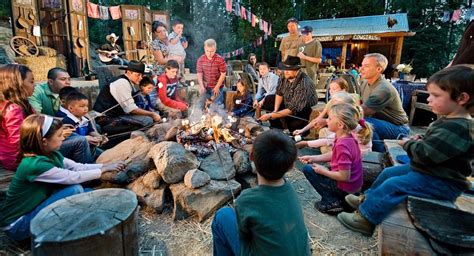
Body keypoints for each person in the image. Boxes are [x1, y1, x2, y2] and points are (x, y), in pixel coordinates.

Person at [337, 65, 474, 235]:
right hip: (431, 172)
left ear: (462, 98)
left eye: (436, 95)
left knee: (394, 185)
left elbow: (425, 155)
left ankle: (366, 219)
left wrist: (409, 145)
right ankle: (367, 200)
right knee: (388, 174)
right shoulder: (450, 121)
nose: (429, 99)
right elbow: (436, 145)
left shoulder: (458, 128)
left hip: (442, 182)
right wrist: (420, 139)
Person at [0, 114, 125, 241]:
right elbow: (74, 177)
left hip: (30, 214)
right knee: (75, 190)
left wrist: (105, 165)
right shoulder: (34, 165)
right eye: (59, 135)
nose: (63, 139)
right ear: (44, 141)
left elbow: (77, 167)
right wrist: (103, 170)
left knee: (87, 193)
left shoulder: (51, 153)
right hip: (17, 226)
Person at [211, 130, 310, 255]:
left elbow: (244, 235)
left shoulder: (246, 200)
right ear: (291, 166)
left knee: (222, 216)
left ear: (251, 156)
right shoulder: (289, 189)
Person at [299, 103, 368, 214]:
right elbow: (334, 154)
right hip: (353, 187)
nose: (326, 121)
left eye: (330, 118)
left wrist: (323, 171)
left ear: (340, 125)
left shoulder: (343, 144)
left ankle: (333, 202)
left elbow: (344, 176)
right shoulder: (345, 137)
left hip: (347, 188)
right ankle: (339, 199)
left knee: (308, 170)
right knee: (313, 166)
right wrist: (314, 158)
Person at [93, 61, 161, 135]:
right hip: (105, 118)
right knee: (147, 120)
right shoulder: (122, 83)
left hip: (116, 115)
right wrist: (152, 114)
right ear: (129, 73)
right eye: (138, 75)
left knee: (150, 116)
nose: (140, 78)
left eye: (142, 75)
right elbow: (131, 109)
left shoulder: (129, 83)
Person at [359, 53, 409, 152]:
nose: (361, 69)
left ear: (379, 69)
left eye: (367, 66)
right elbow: (357, 102)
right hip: (380, 123)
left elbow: (360, 112)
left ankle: (379, 153)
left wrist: (329, 118)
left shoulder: (383, 89)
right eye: (362, 65)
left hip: (398, 128)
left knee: (363, 122)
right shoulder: (365, 82)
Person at [296, 92, 372, 157]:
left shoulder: (347, 137)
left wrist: (321, 167)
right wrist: (305, 143)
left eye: (330, 119)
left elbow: (343, 173)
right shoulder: (348, 127)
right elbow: (328, 139)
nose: (327, 121)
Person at [259, 56, 317, 132]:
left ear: (297, 70)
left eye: (289, 70)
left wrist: (271, 115)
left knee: (294, 127)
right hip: (287, 101)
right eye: (285, 69)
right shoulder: (284, 76)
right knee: (269, 99)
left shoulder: (304, 83)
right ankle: (276, 129)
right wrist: (275, 111)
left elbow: (293, 108)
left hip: (302, 108)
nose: (286, 72)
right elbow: (279, 92)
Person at [0, 64, 35, 171]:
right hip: (18, 158)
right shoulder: (13, 109)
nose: (35, 85)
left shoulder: (21, 104)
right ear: (17, 84)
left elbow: (40, 118)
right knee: (78, 142)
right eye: (31, 81)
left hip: (19, 154)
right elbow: (17, 141)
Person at [56, 91, 107, 159]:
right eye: (82, 106)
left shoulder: (85, 119)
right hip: (76, 150)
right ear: (71, 108)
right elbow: (72, 139)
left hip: (89, 146)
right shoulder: (67, 121)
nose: (86, 109)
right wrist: (87, 139)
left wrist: (99, 136)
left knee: (105, 155)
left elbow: (91, 131)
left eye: (87, 106)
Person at [196, 39, 227, 106]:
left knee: (217, 106)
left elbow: (223, 74)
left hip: (217, 87)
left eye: (212, 51)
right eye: (207, 51)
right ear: (204, 48)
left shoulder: (220, 60)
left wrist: (217, 87)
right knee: (201, 105)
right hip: (206, 86)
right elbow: (199, 74)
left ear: (215, 49)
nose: (209, 53)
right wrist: (201, 86)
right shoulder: (200, 60)